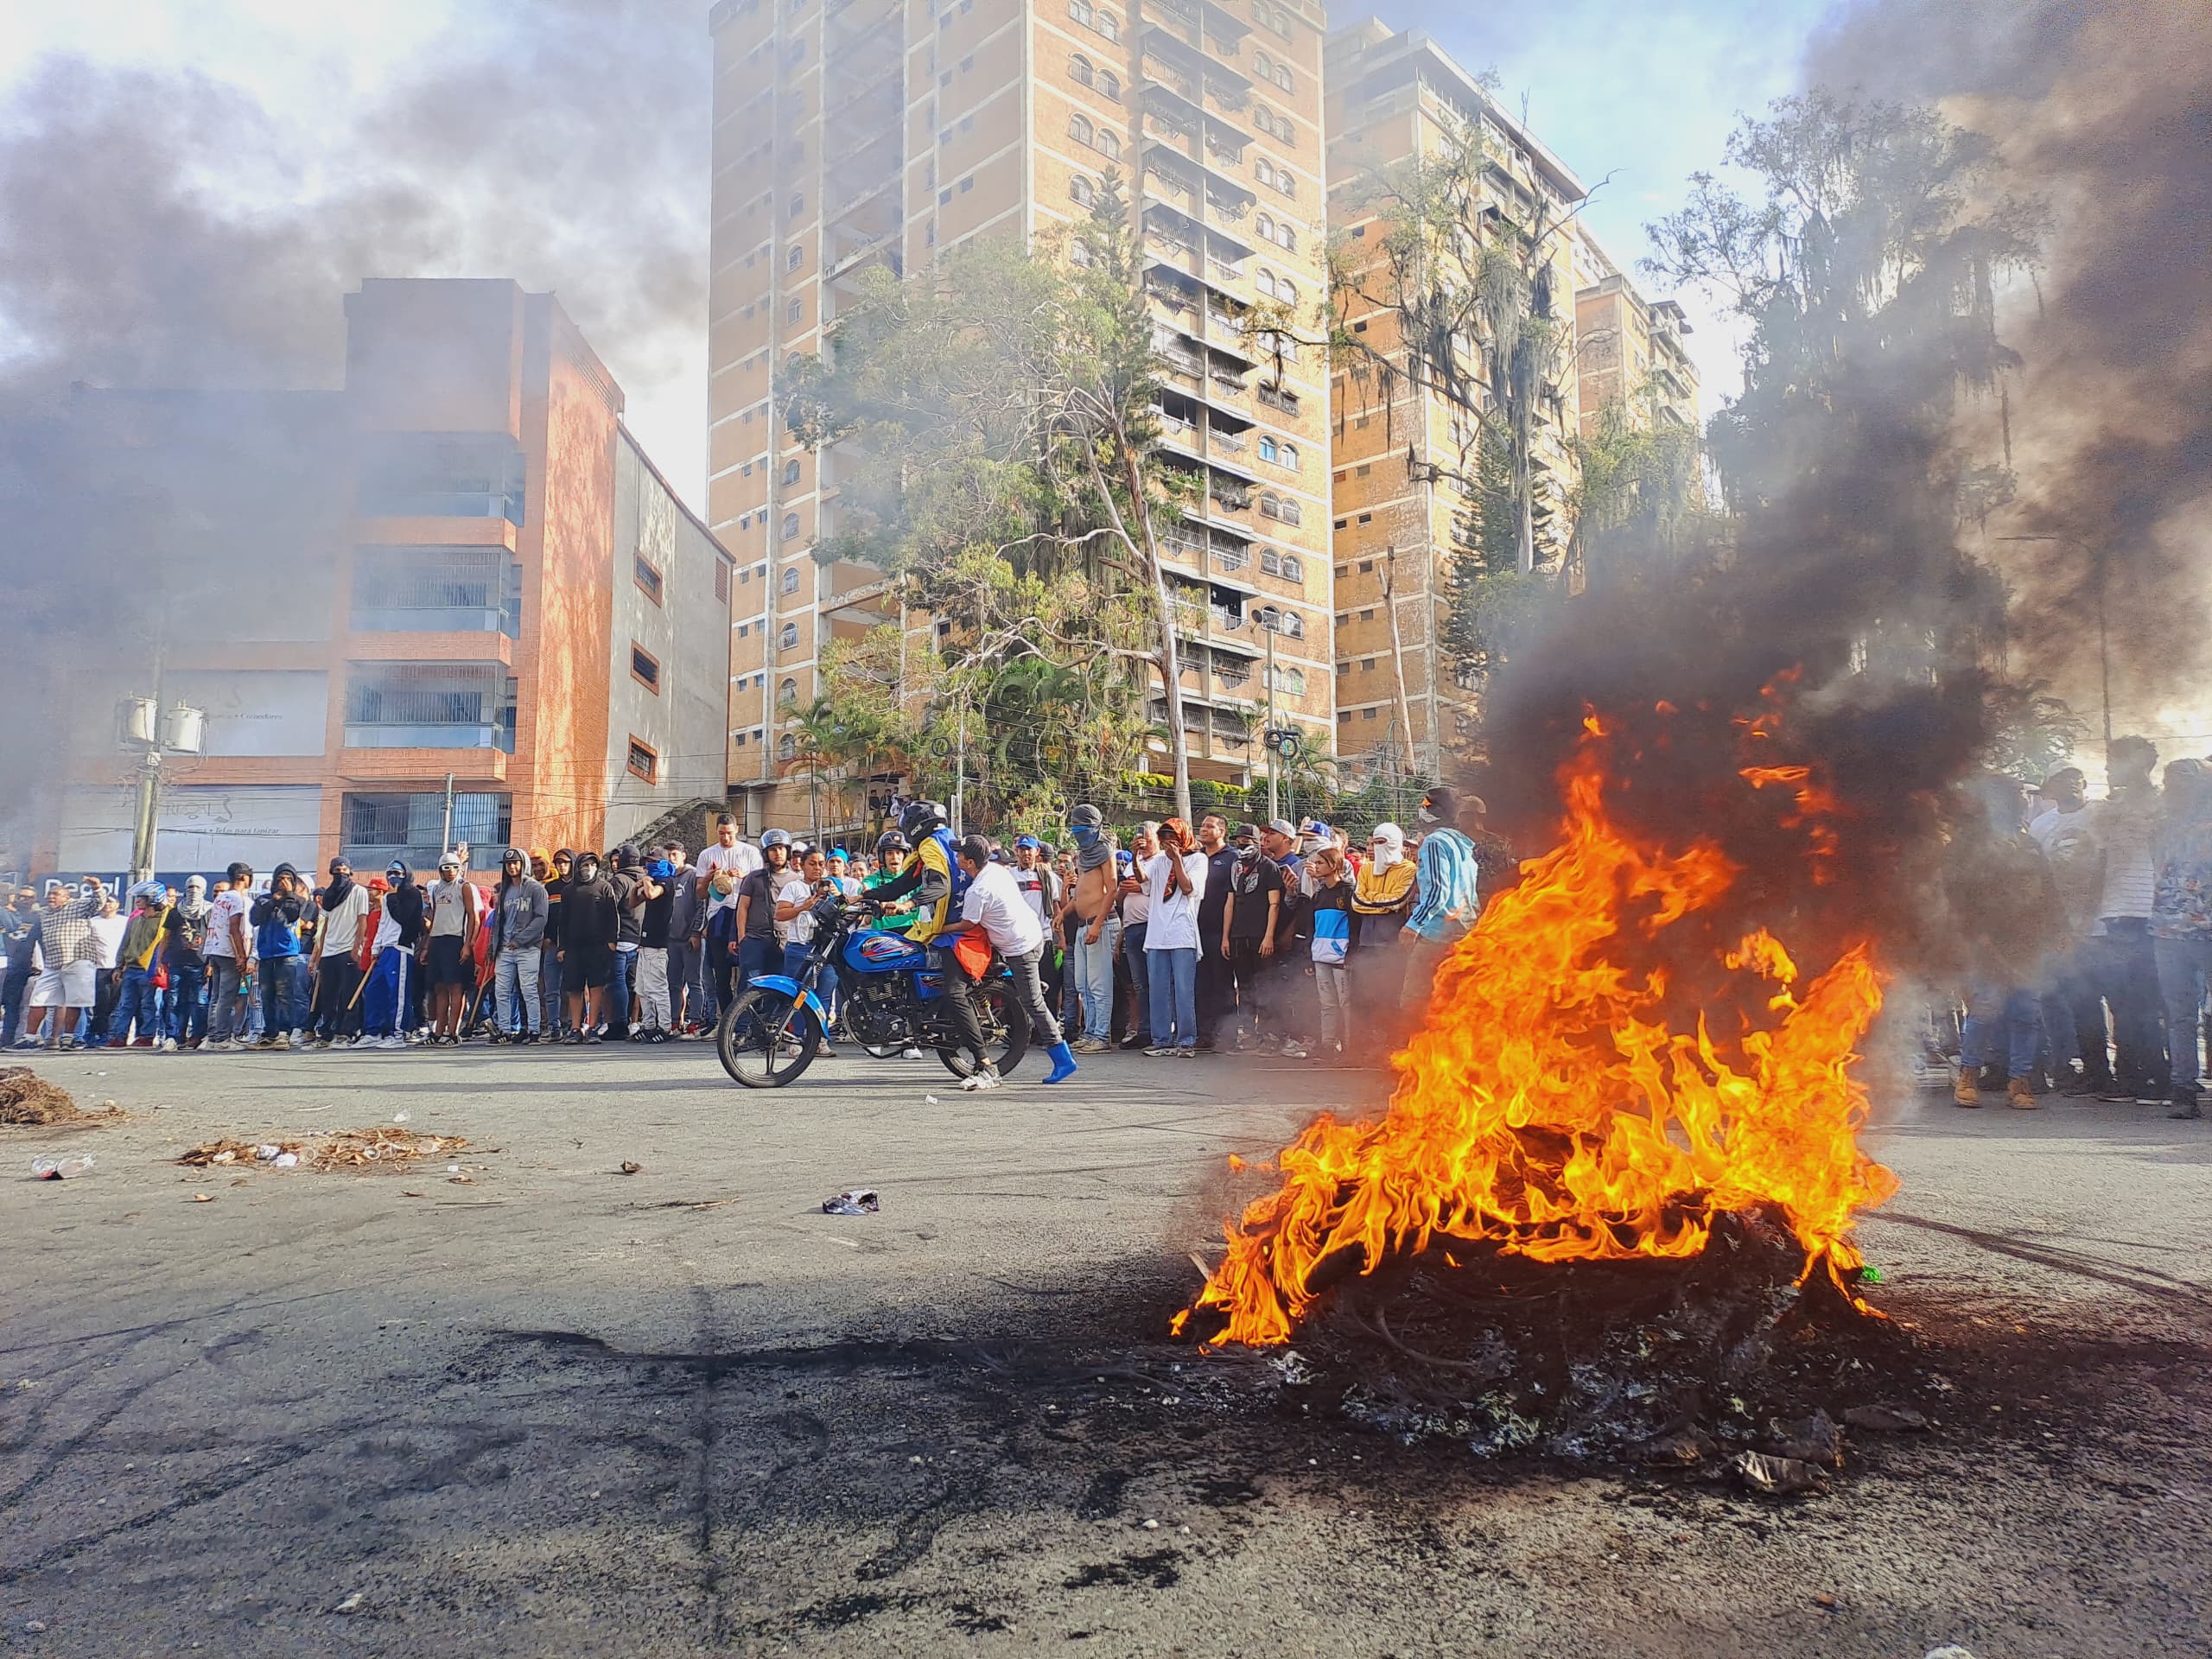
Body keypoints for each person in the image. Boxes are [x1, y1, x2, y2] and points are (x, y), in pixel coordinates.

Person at [946, 833, 1076, 1089]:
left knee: (1033, 1002)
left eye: (960, 854)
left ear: (970, 862)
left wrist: (938, 928)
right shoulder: (995, 871)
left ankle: (1063, 1058)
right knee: (1029, 994)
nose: (957, 857)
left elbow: (967, 924)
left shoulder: (978, 891)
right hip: (1030, 936)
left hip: (1021, 948)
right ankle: (1031, 988)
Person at [2085, 735, 2168, 1102]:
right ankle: (2138, 1076)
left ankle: (2152, 1077)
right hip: (2116, 915)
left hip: (2146, 913)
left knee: (2144, 1002)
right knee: (2124, 1001)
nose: (2107, 769)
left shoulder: (2161, 805)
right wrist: (2091, 911)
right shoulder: (2109, 808)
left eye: (2114, 761)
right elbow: (2100, 863)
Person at [2027, 768, 2107, 1093]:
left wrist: (2089, 916)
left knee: (2105, 999)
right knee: (2061, 999)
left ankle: (2110, 1071)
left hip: (2101, 924)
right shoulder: (2041, 826)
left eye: (2075, 777)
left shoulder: (2102, 813)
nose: (2070, 783)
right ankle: (2073, 1069)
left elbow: (2106, 863)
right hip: (2058, 926)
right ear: (2050, 789)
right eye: (2062, 779)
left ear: (2085, 783)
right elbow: (2040, 878)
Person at [2151, 758, 2212, 1119]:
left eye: (2184, 780)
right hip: (2167, 932)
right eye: (2170, 780)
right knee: (2180, 1016)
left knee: (2202, 1014)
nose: (2175, 786)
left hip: (2206, 931)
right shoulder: (2160, 826)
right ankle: (2184, 1089)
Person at [1404, 785, 1485, 1007]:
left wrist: (1414, 924)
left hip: (1437, 936)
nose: (1421, 810)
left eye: (1425, 806)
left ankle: (1411, 1041)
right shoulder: (1463, 847)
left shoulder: (1435, 842)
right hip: (1465, 935)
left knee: (1415, 1003)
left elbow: (1438, 891)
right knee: (1451, 1006)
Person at [1141, 817, 1206, 1056]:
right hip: (1157, 933)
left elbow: (1189, 888)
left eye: (1173, 838)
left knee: (1183, 989)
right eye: (1164, 838)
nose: (1168, 843)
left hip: (1183, 933)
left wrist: (1177, 859)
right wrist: (1137, 858)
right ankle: (1161, 1040)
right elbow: (1143, 883)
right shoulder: (1158, 861)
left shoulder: (1198, 859)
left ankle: (1187, 1040)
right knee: (1157, 989)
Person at [1063, 804, 1122, 1054]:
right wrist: (1063, 915)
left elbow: (1112, 888)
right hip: (1081, 926)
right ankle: (1089, 1032)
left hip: (1101, 923)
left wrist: (1097, 923)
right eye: (1075, 827)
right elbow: (1082, 894)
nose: (1078, 832)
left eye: (1082, 827)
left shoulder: (1105, 850)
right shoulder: (1083, 855)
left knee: (1099, 984)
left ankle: (1101, 1035)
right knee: (1083, 985)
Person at [1222, 824, 1284, 1052]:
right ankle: (1247, 1034)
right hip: (1238, 936)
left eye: (1247, 839)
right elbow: (1230, 902)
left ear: (1257, 841)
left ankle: (1269, 1036)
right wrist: (1225, 937)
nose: (1242, 844)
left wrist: (1268, 937)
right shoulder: (1235, 867)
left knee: (1265, 987)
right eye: (1238, 840)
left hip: (1260, 936)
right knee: (1245, 988)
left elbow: (1274, 905)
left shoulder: (1269, 867)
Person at [773, 845, 839, 1054]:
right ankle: (797, 1039)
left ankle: (820, 1039)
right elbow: (780, 914)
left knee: (824, 994)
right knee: (798, 993)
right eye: (812, 864)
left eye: (821, 864)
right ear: (802, 866)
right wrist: (803, 907)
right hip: (800, 947)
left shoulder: (832, 888)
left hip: (826, 947)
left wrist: (839, 899)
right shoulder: (794, 887)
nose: (818, 868)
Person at [26, 879, 106, 1050]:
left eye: (56, 894)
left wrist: (96, 887)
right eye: (49, 895)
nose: (51, 897)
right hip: (53, 963)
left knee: (75, 1001)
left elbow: (98, 903)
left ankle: (68, 1038)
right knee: (38, 999)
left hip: (77, 960)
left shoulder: (78, 906)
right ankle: (30, 1038)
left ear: (67, 897)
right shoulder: (44, 912)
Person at [696, 813, 761, 1011]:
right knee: (721, 973)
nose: (725, 838)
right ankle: (726, 1019)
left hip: (744, 914)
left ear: (737, 830)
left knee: (748, 969)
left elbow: (759, 885)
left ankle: (749, 1018)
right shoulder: (707, 855)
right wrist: (708, 878)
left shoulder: (750, 852)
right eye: (721, 833)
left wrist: (743, 876)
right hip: (718, 915)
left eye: (729, 834)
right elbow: (699, 894)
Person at [308, 856, 372, 1047]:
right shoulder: (328, 896)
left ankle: (346, 1032)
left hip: (347, 949)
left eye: (344, 870)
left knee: (348, 994)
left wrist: (356, 948)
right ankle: (326, 1033)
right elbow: (325, 925)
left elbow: (362, 921)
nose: (340, 874)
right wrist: (319, 952)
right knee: (328, 996)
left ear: (350, 872)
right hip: (329, 951)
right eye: (336, 871)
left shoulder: (359, 891)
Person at [558, 849, 620, 1044]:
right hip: (574, 947)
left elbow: (612, 916)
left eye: (593, 865)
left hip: (598, 946)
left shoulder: (604, 887)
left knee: (596, 986)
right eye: (585, 865)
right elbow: (563, 920)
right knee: (574, 988)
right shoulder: (569, 890)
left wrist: (612, 941)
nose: (589, 869)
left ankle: (592, 1027)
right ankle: (576, 1028)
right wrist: (562, 946)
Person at [488, 849, 550, 1044]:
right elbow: (498, 920)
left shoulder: (536, 888)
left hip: (528, 948)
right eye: (508, 864)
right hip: (504, 948)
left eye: (516, 863)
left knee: (529, 989)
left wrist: (520, 939)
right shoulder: (505, 889)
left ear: (524, 864)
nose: (512, 867)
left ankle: (534, 1030)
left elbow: (541, 919)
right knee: (502, 990)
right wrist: (494, 946)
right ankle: (505, 1030)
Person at [362, 861, 426, 1047]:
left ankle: (397, 1033)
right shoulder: (388, 898)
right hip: (385, 949)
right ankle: (374, 1031)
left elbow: (404, 917)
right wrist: (376, 947)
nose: (393, 877)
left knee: (396, 994)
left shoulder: (412, 894)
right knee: (375, 990)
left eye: (397, 873)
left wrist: (391, 897)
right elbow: (383, 923)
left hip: (401, 947)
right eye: (389, 873)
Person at [422, 852, 480, 1046]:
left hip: (456, 939)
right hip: (438, 939)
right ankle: (438, 1031)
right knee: (439, 987)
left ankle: (453, 1032)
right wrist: (427, 947)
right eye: (446, 868)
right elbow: (436, 916)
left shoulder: (464, 887)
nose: (450, 871)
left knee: (456, 987)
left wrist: (468, 944)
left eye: (454, 867)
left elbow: (473, 916)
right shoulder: (437, 889)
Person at [250, 865, 310, 1050]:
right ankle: (270, 1032)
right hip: (266, 952)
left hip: (287, 953)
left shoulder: (297, 900)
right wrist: (272, 902)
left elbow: (292, 915)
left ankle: (286, 1032)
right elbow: (254, 919)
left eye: (287, 879)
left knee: (285, 994)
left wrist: (287, 894)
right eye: (279, 879)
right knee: (267, 995)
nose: (282, 882)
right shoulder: (262, 899)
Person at [734, 829, 795, 1006]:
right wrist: (742, 937)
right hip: (754, 939)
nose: (778, 853)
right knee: (749, 987)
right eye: (773, 849)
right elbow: (742, 907)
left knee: (777, 989)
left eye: (781, 849)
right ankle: (741, 1029)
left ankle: (772, 1028)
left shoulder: (795, 879)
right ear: (766, 853)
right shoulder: (754, 877)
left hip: (782, 941)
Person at [1192, 814, 1236, 1049]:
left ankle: (1227, 1035)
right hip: (1195, 931)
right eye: (1203, 826)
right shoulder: (1195, 857)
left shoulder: (1232, 858)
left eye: (1210, 826)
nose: (1204, 830)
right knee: (1200, 985)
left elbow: (1234, 898)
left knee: (1222, 984)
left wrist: (1227, 936)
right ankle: (1204, 1034)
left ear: (1222, 831)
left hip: (1220, 932)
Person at [1307, 846, 1354, 1055]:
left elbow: (1356, 925)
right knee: (1327, 1003)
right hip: (1320, 956)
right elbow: (1312, 927)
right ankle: (1328, 1044)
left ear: (1334, 865)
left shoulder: (1348, 892)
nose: (1315, 867)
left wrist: (1351, 953)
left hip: (1341, 955)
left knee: (1346, 1003)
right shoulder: (1318, 894)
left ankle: (1351, 1045)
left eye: (1320, 863)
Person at [205, 863, 256, 1049]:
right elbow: (235, 927)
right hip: (229, 951)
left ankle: (213, 1036)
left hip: (214, 949)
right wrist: (241, 955)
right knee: (227, 997)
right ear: (243, 877)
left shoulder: (220, 898)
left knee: (217, 997)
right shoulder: (236, 899)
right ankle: (222, 1038)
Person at [160, 874, 213, 1051]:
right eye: (190, 887)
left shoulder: (209, 910)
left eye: (197, 887)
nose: (193, 891)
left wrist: (211, 962)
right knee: (174, 1000)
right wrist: (160, 961)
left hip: (201, 962)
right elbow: (166, 938)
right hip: (177, 962)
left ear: (204, 890)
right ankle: (174, 1037)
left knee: (200, 1001)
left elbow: (214, 937)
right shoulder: (176, 911)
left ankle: (198, 1035)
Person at [115, 882, 171, 1047]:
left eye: (142, 898)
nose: (138, 901)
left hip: (149, 968)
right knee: (125, 1005)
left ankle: (146, 1036)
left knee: (148, 1005)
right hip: (130, 968)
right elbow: (125, 942)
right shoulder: (135, 919)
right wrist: (119, 965)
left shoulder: (163, 920)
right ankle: (119, 1036)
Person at [1117, 824, 1158, 1050]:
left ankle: (1159, 1030)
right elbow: (1121, 896)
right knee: (1139, 984)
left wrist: (1141, 887)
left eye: (1147, 840)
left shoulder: (1161, 860)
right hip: (1131, 926)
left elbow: (1160, 890)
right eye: (1138, 840)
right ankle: (1144, 1030)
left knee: (1156, 981)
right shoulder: (1136, 863)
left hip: (1152, 926)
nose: (1142, 844)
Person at [658, 842, 699, 1035]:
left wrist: (696, 932)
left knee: (695, 982)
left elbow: (702, 905)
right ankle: (675, 1023)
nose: (671, 859)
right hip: (671, 939)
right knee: (673, 983)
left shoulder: (692, 875)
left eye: (674, 854)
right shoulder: (667, 878)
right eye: (667, 855)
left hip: (690, 938)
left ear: (684, 855)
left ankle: (695, 1022)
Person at [85, 893, 128, 1046]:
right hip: (99, 967)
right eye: (105, 902)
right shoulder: (92, 922)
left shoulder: (125, 921)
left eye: (111, 902)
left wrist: (122, 965)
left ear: (117, 904)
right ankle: (96, 1033)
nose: (107, 905)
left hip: (119, 967)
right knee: (99, 1003)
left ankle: (109, 1034)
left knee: (114, 1004)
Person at [540, 849, 571, 1037]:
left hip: (573, 946)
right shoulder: (550, 888)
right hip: (551, 945)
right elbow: (545, 916)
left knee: (571, 988)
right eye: (558, 862)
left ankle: (571, 1024)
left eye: (565, 862)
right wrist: (547, 936)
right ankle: (554, 1026)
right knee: (550, 990)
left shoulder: (578, 885)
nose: (562, 865)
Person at [1, 887, 37, 1047]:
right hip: (5, 962)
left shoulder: (37, 917)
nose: (24, 900)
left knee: (13, 1004)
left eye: (28, 897)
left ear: (34, 899)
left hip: (22, 966)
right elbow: (11, 929)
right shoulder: (4, 913)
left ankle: (8, 1038)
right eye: (20, 896)